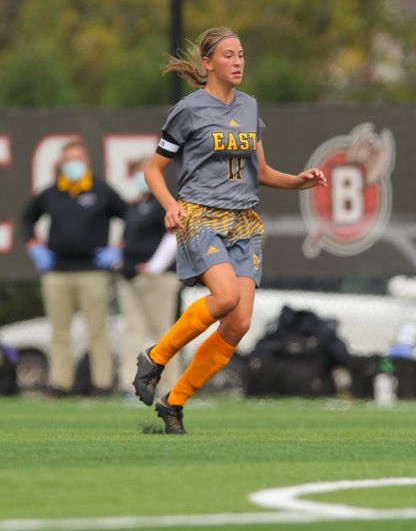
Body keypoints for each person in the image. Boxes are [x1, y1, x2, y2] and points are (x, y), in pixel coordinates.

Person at [133, 26, 327, 434]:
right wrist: (171, 206)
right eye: (229, 55)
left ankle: (174, 401)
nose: (238, 62)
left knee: (238, 325)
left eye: (241, 55)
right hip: (200, 215)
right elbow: (153, 170)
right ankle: (156, 356)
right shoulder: (189, 110)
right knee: (225, 297)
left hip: (244, 222)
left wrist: (297, 181)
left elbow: (263, 172)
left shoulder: (250, 108)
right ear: (208, 63)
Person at [22, 139, 127, 396]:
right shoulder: (51, 193)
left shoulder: (101, 191)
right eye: (68, 160)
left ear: (87, 161)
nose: (73, 165)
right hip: (57, 271)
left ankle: (102, 384)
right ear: (60, 164)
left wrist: (119, 248)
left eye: (78, 159)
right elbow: (27, 218)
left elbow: (129, 217)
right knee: (59, 332)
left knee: (97, 330)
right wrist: (34, 246)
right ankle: (60, 384)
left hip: (93, 271)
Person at [117, 159, 181, 399]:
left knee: (165, 333)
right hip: (131, 278)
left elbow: (174, 236)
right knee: (133, 331)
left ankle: (172, 387)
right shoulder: (134, 207)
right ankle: (130, 387)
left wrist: (154, 266)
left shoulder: (164, 203)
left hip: (158, 280)